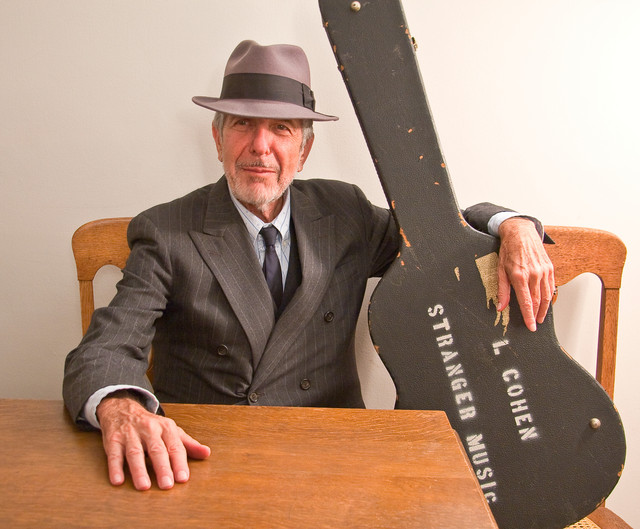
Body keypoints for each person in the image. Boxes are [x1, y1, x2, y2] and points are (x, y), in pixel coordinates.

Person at [63, 40, 554, 491]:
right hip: (205, 459)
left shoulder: (346, 213)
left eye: (281, 128)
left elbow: (441, 240)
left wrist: (513, 226)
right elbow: (107, 345)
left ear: (305, 149)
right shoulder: (166, 230)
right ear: (217, 139)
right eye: (242, 124)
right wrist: (121, 406)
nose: (260, 146)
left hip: (333, 455)